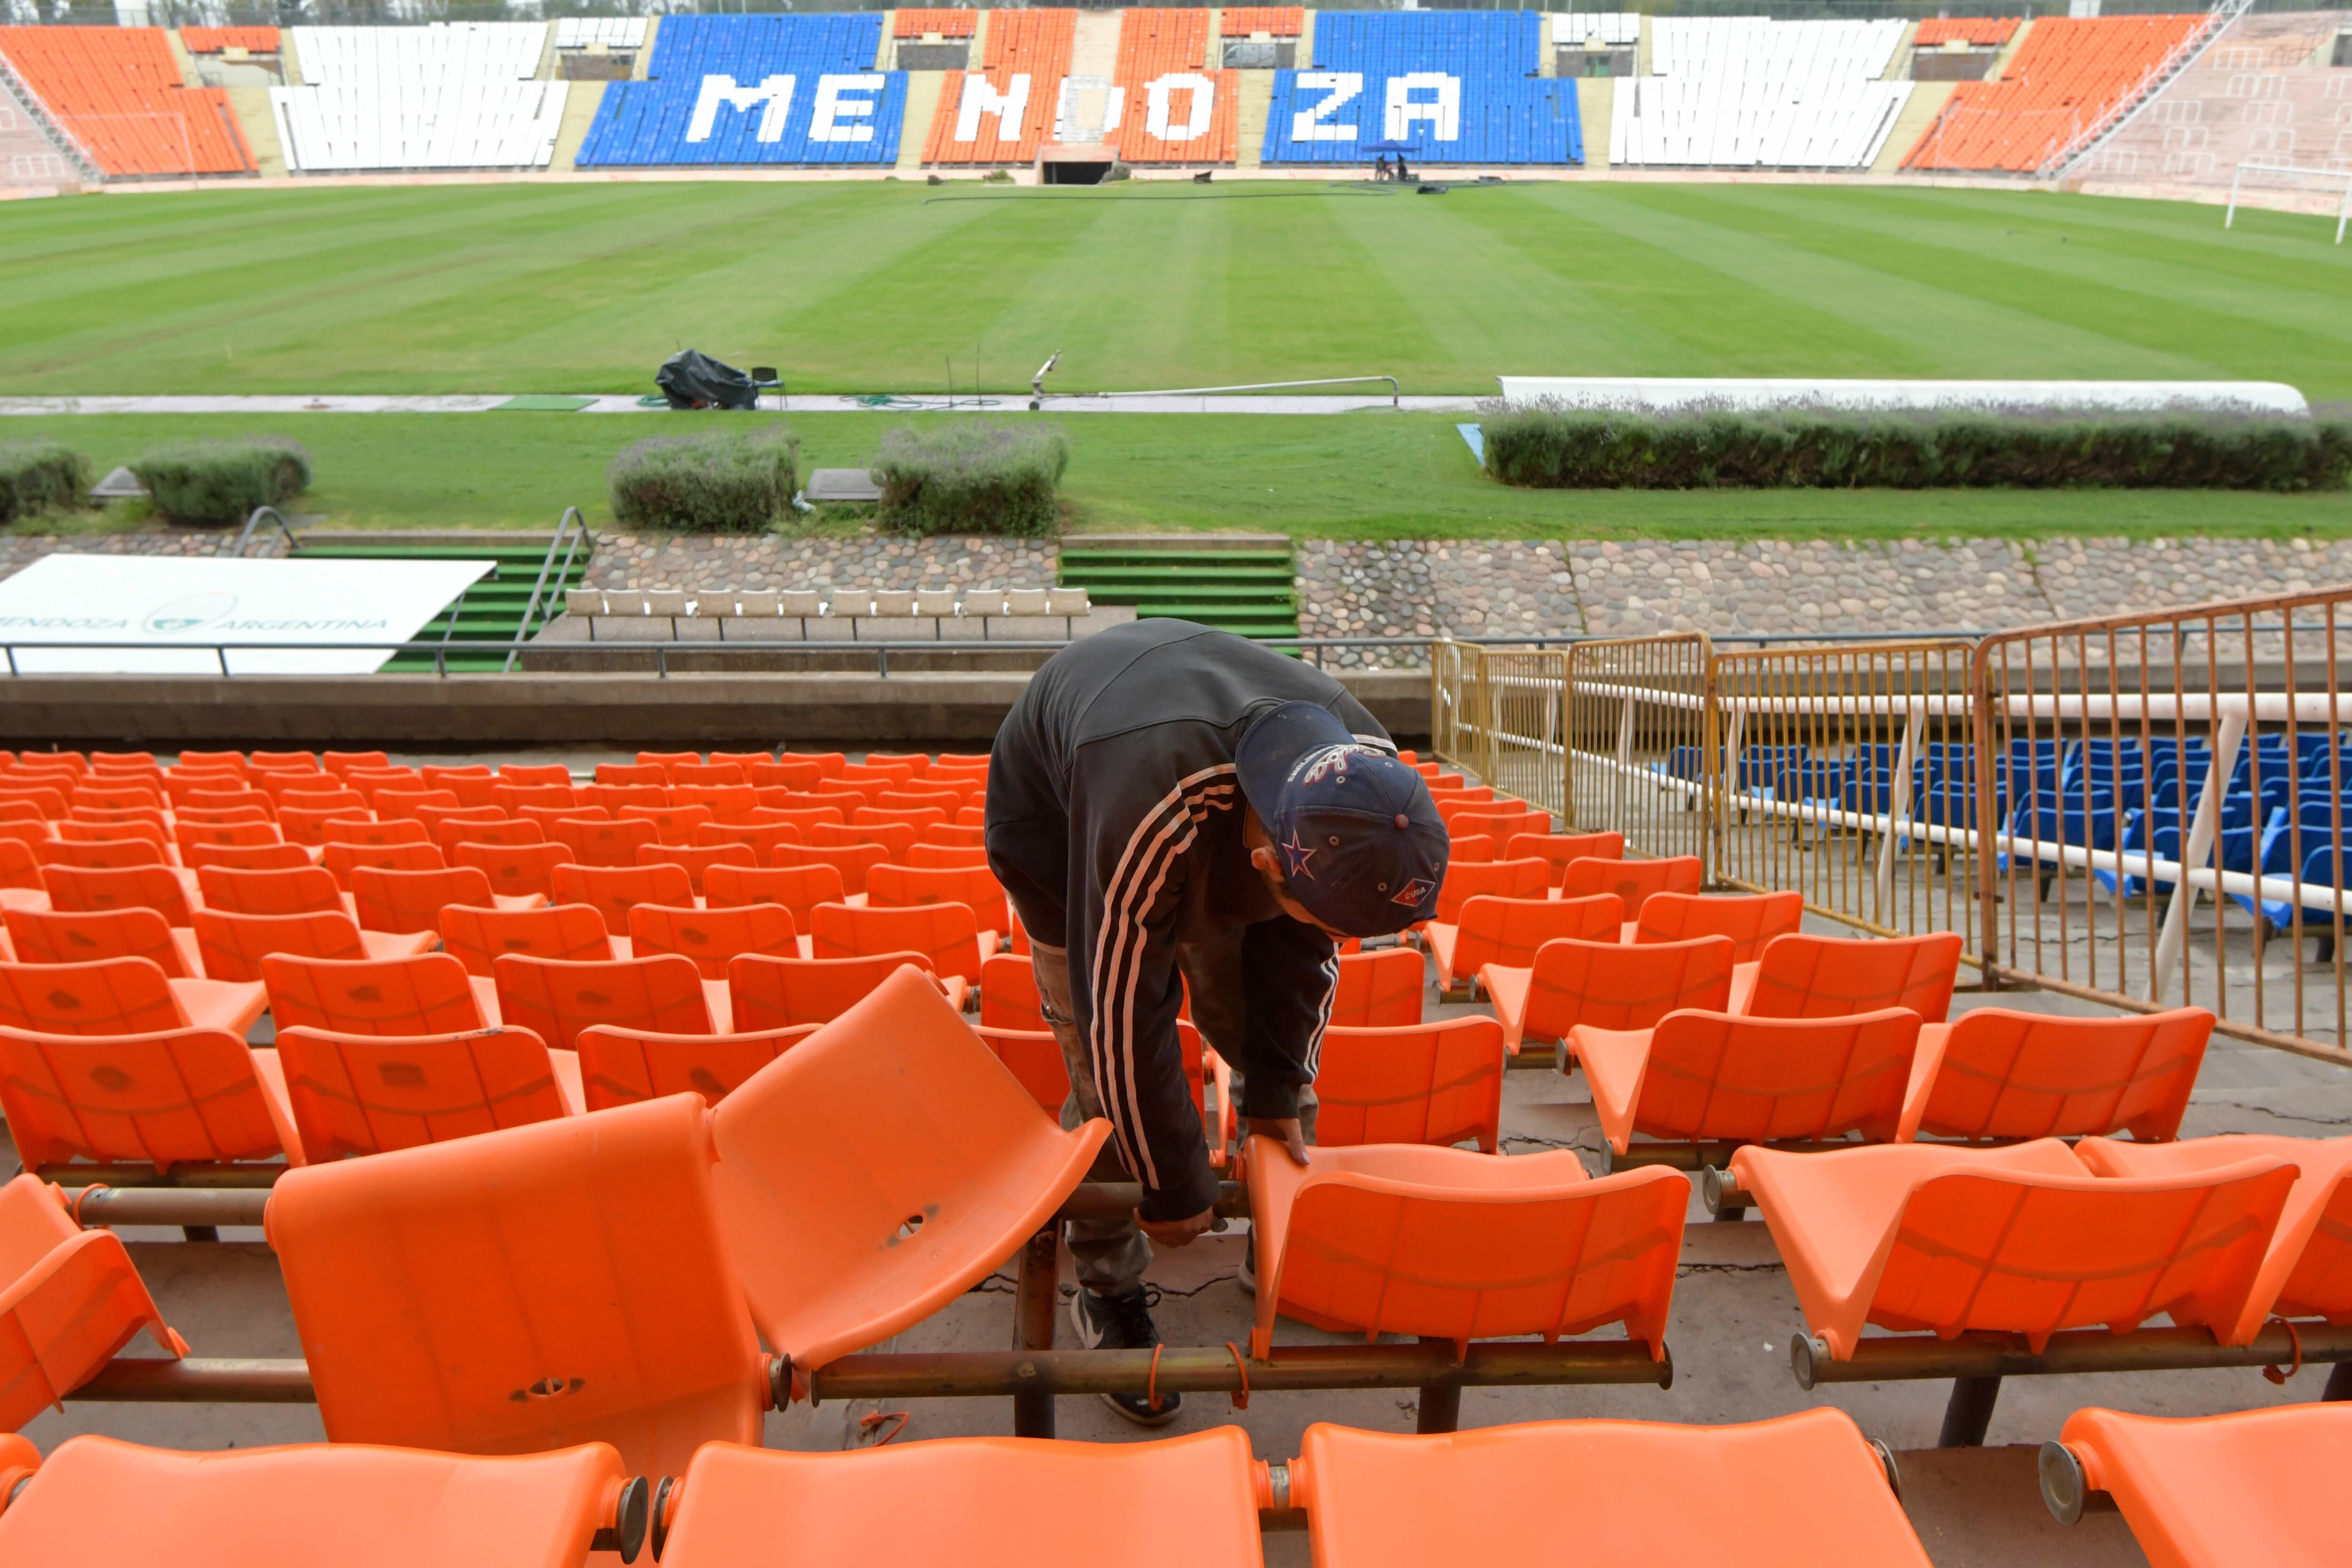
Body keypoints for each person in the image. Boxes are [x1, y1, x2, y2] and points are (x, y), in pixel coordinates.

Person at [986, 619, 1449, 1423]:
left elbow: (1304, 961)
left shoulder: (1362, 775)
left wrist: (1273, 1091)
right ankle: (1108, 1286)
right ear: (1267, 865)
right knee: (1104, 1082)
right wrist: (1168, 1180)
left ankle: (1279, 1224)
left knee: (1269, 1045)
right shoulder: (1147, 802)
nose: (1335, 941)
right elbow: (1121, 1013)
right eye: (1321, 917)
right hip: (1062, 826)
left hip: (1207, 793)